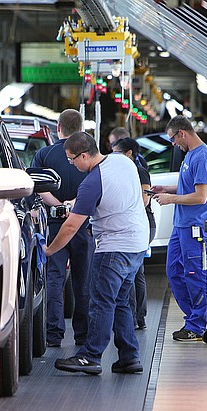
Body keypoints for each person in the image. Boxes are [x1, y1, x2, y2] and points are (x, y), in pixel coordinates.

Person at [45, 132, 149, 375]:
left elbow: (70, 226)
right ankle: (129, 357)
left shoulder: (92, 183)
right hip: (137, 243)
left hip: (114, 247)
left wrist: (50, 250)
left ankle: (90, 356)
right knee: (121, 301)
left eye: (72, 160)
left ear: (84, 155)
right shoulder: (122, 160)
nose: (71, 164)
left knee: (101, 302)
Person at [151, 115, 207, 342]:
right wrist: (167, 188)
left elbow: (201, 196)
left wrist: (171, 199)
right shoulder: (189, 155)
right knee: (174, 272)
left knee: (193, 273)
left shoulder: (202, 157)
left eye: (172, 139)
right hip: (181, 226)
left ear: (182, 133)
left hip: (194, 226)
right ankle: (195, 319)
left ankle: (197, 325)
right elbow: (188, 185)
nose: (173, 144)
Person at [31, 109, 94, 348]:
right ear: (81, 128)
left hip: (54, 226)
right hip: (84, 224)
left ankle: (54, 335)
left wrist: (59, 206)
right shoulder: (88, 156)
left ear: (59, 127)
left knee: (55, 279)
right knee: (83, 280)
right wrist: (75, 206)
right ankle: (83, 335)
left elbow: (37, 185)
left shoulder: (44, 154)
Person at [112, 137, 156, 330]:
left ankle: (136, 316)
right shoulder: (123, 171)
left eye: (117, 152)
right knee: (134, 271)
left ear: (128, 153)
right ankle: (134, 316)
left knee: (135, 271)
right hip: (132, 224)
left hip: (143, 224)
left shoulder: (140, 171)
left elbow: (144, 201)